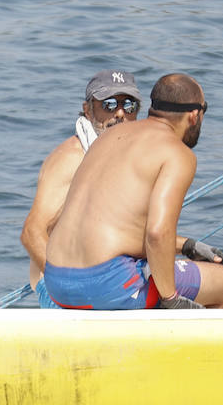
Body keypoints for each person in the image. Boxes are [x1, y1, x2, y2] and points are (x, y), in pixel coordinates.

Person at [41, 73, 223, 310]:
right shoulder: (178, 154)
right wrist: (170, 299)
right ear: (195, 115)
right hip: (106, 286)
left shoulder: (110, 135)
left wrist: (187, 246)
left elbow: (112, 229)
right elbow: (157, 234)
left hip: (57, 282)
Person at [21, 70, 143, 297]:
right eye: (108, 104)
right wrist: (71, 287)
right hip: (65, 286)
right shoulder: (73, 158)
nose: (119, 113)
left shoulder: (129, 156)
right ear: (87, 110)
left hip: (112, 275)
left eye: (129, 106)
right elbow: (31, 233)